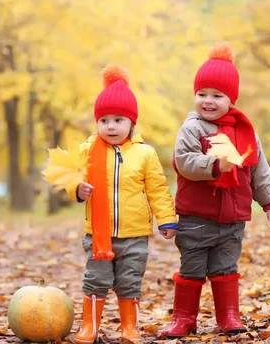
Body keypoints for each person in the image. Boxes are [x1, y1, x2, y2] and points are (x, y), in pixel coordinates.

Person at [162, 42, 270, 338]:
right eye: (202, 94)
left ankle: (228, 315)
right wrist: (213, 164)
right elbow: (184, 162)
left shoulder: (245, 132)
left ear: (232, 100)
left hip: (232, 220)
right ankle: (184, 317)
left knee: (225, 267)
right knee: (192, 267)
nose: (208, 101)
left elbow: (258, 171)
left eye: (217, 95)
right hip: (196, 218)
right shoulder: (192, 129)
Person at [62, 65, 178, 344]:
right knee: (96, 281)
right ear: (97, 123)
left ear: (131, 123)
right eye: (103, 120)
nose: (110, 126)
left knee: (129, 282)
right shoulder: (88, 151)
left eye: (118, 120)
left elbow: (158, 189)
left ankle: (130, 328)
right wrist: (77, 188)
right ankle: (90, 326)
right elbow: (69, 175)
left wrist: (166, 219)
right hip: (99, 235)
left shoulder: (144, 154)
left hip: (134, 236)